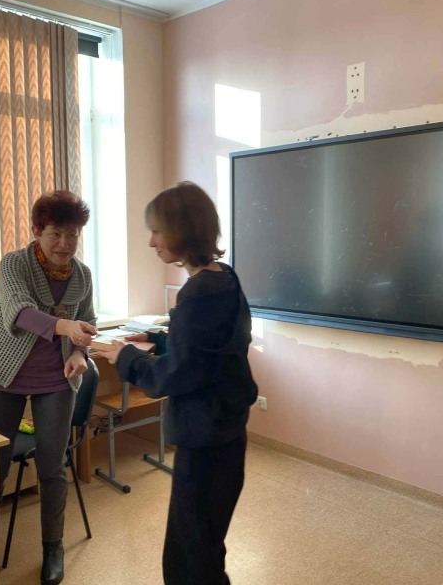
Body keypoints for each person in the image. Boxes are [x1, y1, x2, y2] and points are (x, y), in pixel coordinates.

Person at [99, 181, 258, 585]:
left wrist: (127, 358)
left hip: (205, 440)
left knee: (189, 559)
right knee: (205, 546)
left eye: (157, 230)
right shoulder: (224, 277)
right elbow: (207, 351)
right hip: (225, 433)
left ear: (183, 230)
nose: (151, 242)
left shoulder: (198, 293)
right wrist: (155, 338)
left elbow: (172, 376)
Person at [0, 190, 97, 585]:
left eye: (72, 234)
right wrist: (65, 327)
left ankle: (53, 548)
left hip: (56, 379)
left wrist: (79, 352)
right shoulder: (14, 264)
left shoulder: (82, 275)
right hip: (2, 375)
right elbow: (19, 312)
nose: (65, 244)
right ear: (36, 231)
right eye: (55, 234)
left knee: (52, 466)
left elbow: (88, 321)